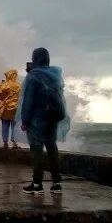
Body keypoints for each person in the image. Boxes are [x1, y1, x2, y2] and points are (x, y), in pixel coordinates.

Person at [18, 47, 70, 195]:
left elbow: (29, 101)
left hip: (37, 120)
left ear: (34, 59)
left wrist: (25, 120)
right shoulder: (55, 74)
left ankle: (37, 185)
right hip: (53, 117)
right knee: (52, 148)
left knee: (37, 151)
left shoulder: (33, 76)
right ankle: (56, 183)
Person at [0, 69, 21, 149]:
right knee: (14, 127)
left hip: (5, 110)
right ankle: (14, 143)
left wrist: (1, 84)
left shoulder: (4, 84)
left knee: (5, 126)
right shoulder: (19, 85)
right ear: (14, 75)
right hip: (15, 109)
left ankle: (5, 143)